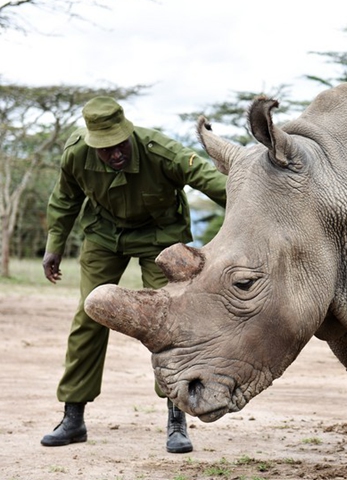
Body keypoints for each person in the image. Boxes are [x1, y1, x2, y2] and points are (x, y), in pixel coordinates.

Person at [41, 96, 227, 454]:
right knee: (89, 315)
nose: (114, 154)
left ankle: (177, 418)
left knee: (169, 321)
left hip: (159, 236)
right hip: (103, 234)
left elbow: (210, 181)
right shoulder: (77, 154)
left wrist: (256, 208)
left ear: (128, 132)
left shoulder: (160, 150)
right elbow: (65, 198)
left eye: (119, 145)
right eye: (105, 149)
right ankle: (73, 416)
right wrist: (55, 244)